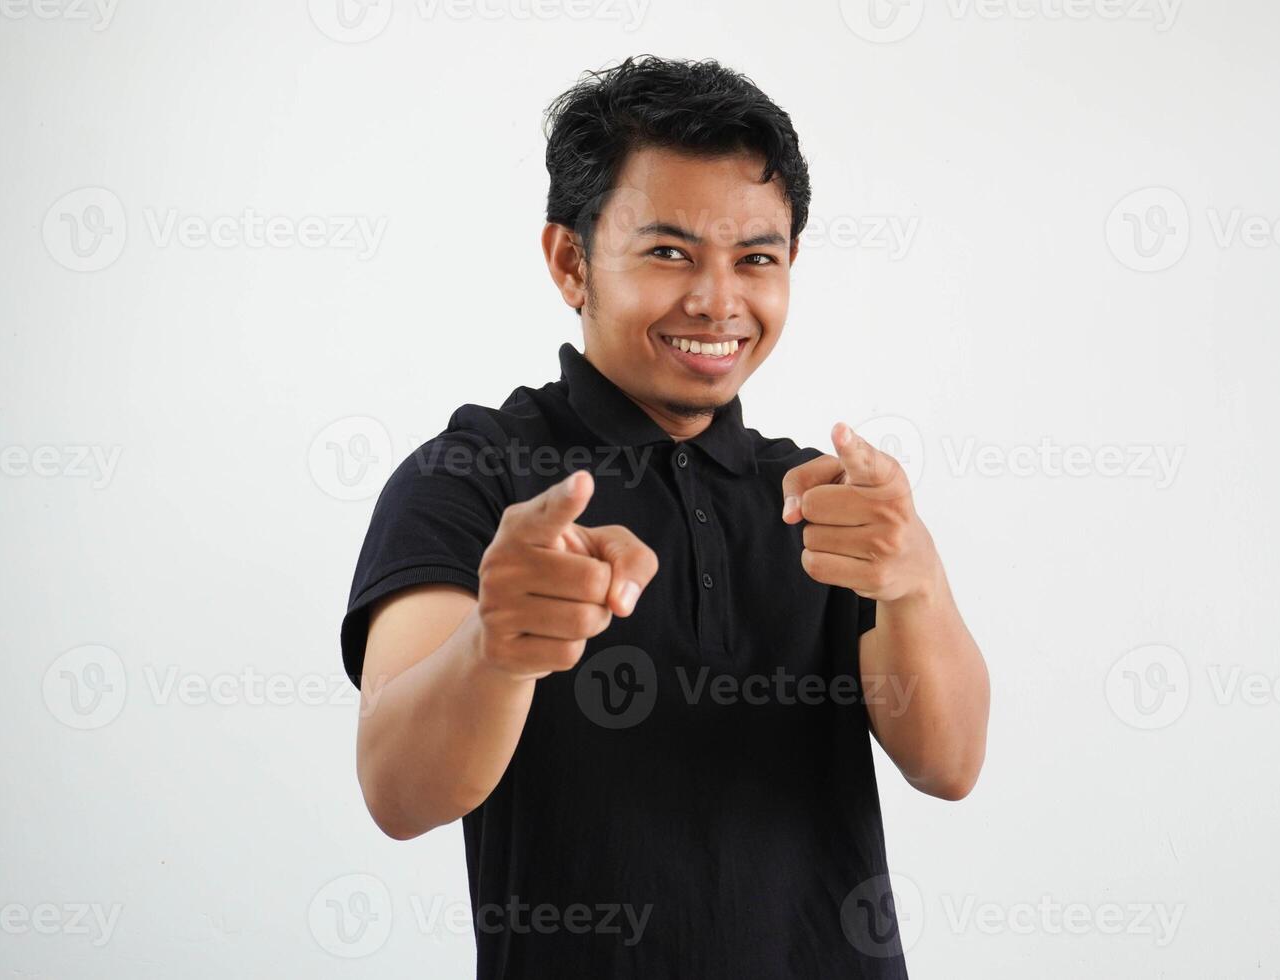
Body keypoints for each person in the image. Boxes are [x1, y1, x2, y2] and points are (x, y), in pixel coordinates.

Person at [340, 54, 990, 978]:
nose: (718, 301)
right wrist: (498, 646)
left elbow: (951, 764)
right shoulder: (470, 476)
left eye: (755, 259)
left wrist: (918, 583)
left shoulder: (823, 499)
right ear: (571, 260)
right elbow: (398, 792)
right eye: (669, 252)